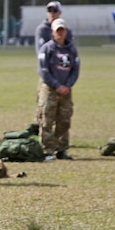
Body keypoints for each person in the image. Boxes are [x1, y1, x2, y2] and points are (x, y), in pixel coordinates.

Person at [38, 18, 80, 160]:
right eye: (58, 31)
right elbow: (44, 71)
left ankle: (61, 149)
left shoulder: (72, 49)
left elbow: (75, 69)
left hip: (66, 91)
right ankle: (48, 149)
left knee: (65, 119)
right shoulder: (47, 48)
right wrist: (57, 85)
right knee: (47, 119)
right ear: (52, 32)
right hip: (50, 89)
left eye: (62, 30)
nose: (60, 33)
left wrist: (67, 85)